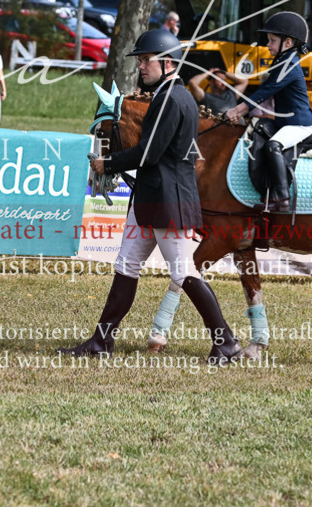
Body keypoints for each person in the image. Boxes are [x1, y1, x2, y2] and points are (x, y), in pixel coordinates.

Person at [58, 29, 242, 363]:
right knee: (126, 265)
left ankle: (226, 343)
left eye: (146, 60)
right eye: (141, 61)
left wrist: (107, 163)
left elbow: (149, 153)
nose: (141, 66)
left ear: (168, 62)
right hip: (150, 200)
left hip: (167, 202)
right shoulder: (170, 95)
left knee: (183, 273)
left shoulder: (171, 98)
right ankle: (101, 341)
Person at [224, 12, 312, 212]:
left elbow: (266, 91)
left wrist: (239, 109)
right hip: (287, 122)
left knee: (273, 146)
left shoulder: (289, 64)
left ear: (288, 42)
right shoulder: (283, 60)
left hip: (300, 124)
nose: (268, 45)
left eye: (272, 40)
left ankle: (282, 198)